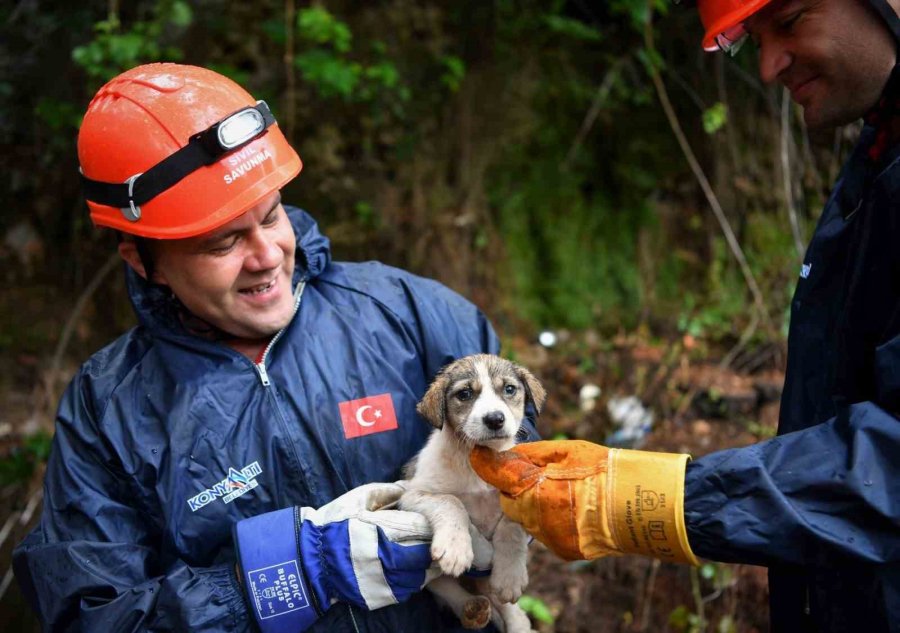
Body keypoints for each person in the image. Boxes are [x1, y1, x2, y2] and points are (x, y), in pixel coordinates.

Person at [12, 63, 535, 633]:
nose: (266, 256)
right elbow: (92, 616)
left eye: (271, 215)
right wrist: (278, 578)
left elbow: (522, 448)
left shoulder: (407, 312)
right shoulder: (110, 412)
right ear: (143, 261)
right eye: (224, 242)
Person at [470, 0, 900, 631]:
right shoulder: (877, 160)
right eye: (751, 40)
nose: (771, 65)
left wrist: (645, 499)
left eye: (791, 19)